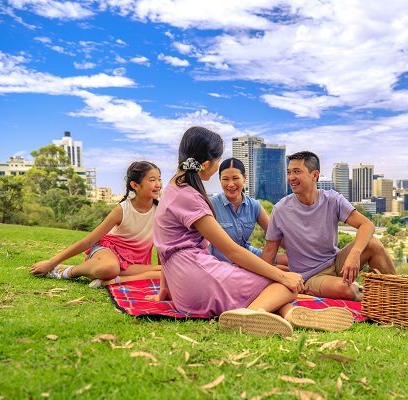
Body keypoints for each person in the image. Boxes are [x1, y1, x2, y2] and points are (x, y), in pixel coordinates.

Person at [151, 126, 353, 337]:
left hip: (184, 285)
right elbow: (232, 251)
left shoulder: (174, 188)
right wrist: (283, 277)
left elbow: (165, 248)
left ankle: (290, 314)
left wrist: (165, 290)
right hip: (198, 282)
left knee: (276, 285)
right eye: (218, 162)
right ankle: (247, 315)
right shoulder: (190, 196)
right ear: (206, 164)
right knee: (285, 284)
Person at [261, 151, 396, 301]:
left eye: (297, 172)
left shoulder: (332, 199)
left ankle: (398, 297)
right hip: (310, 276)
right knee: (347, 290)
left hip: (336, 261)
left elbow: (367, 225)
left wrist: (354, 254)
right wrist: (262, 284)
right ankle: (374, 300)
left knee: (373, 244)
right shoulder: (281, 210)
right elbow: (269, 251)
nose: (291, 177)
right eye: (289, 172)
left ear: (315, 175)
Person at [29, 161, 162, 287]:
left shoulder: (161, 211)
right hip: (108, 251)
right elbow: (89, 241)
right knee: (109, 268)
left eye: (159, 179)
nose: (158, 184)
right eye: (152, 180)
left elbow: (163, 246)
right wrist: (51, 262)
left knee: (167, 272)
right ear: (135, 185)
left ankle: (113, 281)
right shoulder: (122, 210)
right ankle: (67, 271)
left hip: (134, 262)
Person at [209, 157, 287, 267]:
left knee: (290, 262)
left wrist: (303, 252)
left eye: (235, 178)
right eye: (225, 179)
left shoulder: (254, 206)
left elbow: (276, 236)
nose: (230, 184)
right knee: (281, 270)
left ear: (245, 178)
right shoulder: (211, 205)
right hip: (223, 263)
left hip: (248, 254)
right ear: (220, 180)